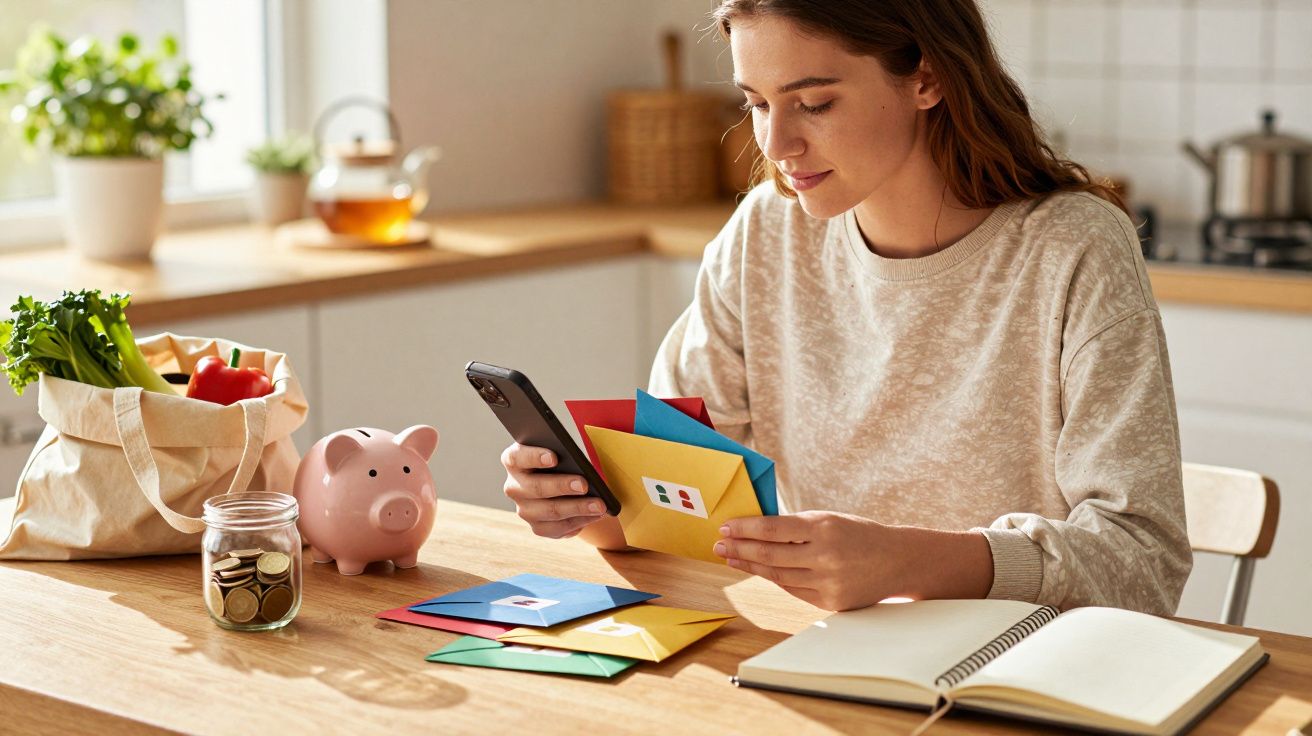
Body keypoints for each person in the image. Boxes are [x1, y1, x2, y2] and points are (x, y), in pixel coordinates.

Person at [500, 0, 1191, 616]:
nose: (775, 146)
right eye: (758, 103)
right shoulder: (766, 234)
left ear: (927, 77)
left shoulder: (1073, 248)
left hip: (1016, 674)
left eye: (815, 103)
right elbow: (681, 510)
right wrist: (586, 508)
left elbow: (1143, 562)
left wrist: (907, 563)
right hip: (820, 666)